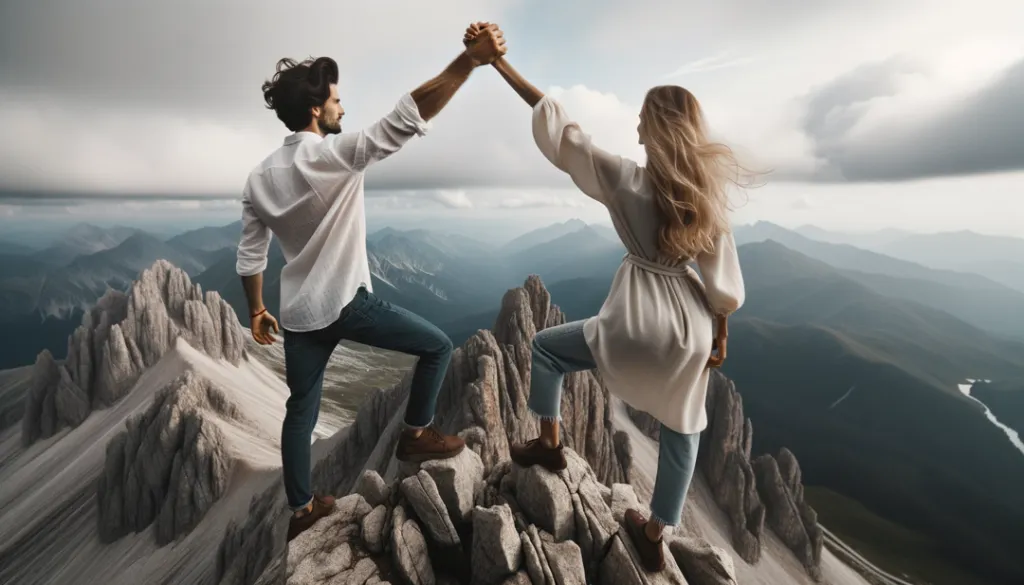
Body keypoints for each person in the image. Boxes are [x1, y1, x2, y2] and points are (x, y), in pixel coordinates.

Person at [464, 23, 751, 572]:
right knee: (684, 423)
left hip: (634, 318)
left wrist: (498, 66)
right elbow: (724, 288)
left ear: (658, 129)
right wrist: (719, 330)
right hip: (690, 326)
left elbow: (562, 131)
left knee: (547, 349)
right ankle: (655, 531)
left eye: (643, 117)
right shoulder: (703, 202)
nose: (637, 125)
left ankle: (547, 440)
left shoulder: (626, 180)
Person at [235, 24, 507, 542]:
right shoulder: (332, 156)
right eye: (336, 101)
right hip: (344, 303)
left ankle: (302, 509)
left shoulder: (258, 177)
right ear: (316, 110)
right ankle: (416, 433)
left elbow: (251, 253)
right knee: (438, 346)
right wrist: (467, 62)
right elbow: (405, 119)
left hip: (297, 313)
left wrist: (254, 310)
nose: (342, 107)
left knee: (299, 411)